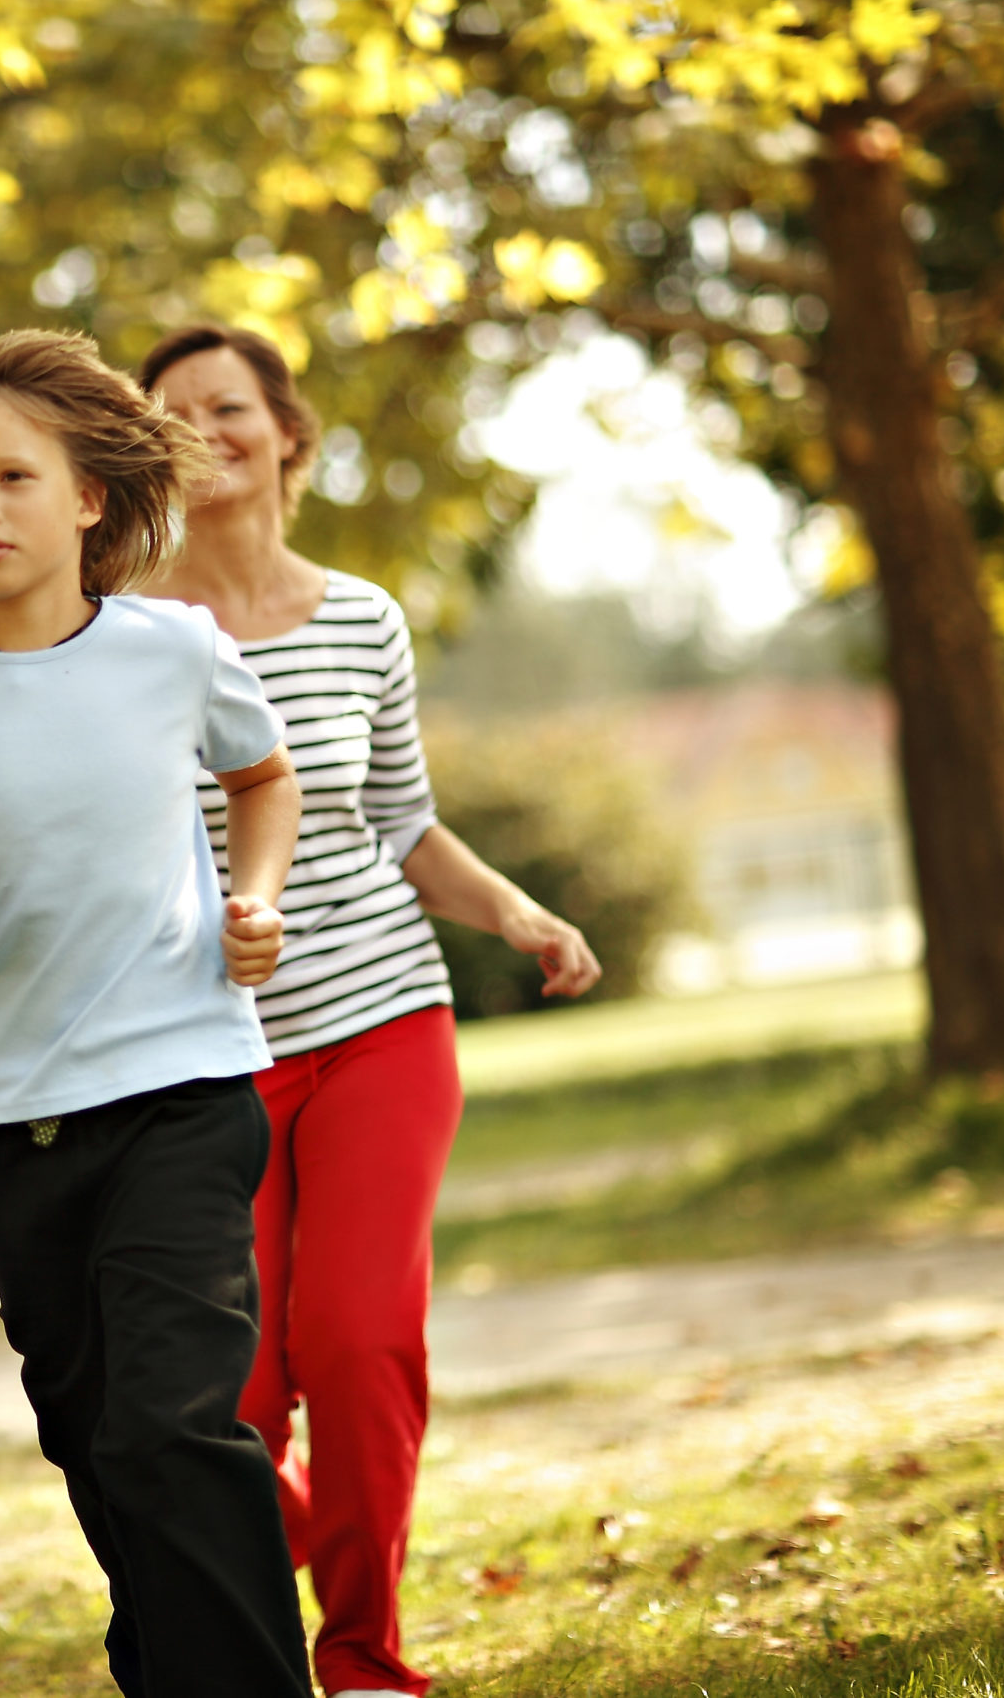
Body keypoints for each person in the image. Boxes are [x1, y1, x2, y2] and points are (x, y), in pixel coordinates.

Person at [0, 329, 313, 1698]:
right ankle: (164, 1662)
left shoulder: (174, 647)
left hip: (186, 1091)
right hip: (16, 1137)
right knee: (100, 1444)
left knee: (171, 1427)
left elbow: (264, 779)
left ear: (87, 496)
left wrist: (249, 899)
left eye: (11, 478)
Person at [138, 321, 604, 1698]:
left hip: (386, 1021)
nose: (205, 430)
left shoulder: (362, 617)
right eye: (173, 415)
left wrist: (516, 911)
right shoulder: (128, 636)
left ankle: (365, 1658)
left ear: (291, 432)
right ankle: (244, 1589)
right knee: (232, 1389)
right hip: (209, 1053)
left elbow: (404, 817)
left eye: (229, 406)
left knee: (355, 1342)